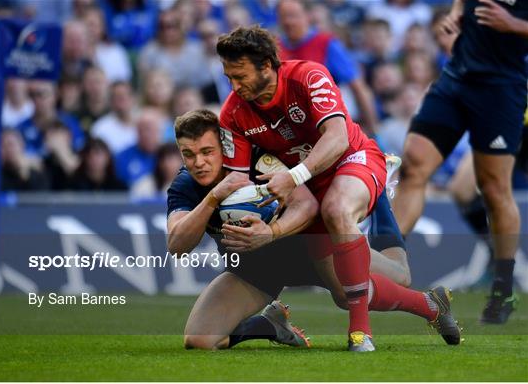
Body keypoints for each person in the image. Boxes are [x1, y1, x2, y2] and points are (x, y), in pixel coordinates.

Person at [167, 109, 460, 351]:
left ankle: (382, 191)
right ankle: (270, 325)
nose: (199, 162)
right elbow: (176, 245)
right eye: (188, 154)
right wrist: (213, 198)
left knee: (393, 279)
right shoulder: (185, 185)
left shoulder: (258, 160)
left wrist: (270, 233)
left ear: (226, 147)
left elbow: (306, 207)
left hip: (313, 251)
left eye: (207, 151)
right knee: (199, 341)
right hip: (254, 270)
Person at [215, 25, 390, 351]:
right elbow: (237, 180)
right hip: (308, 188)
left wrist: (293, 177)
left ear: (266, 65)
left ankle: (360, 334)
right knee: (342, 292)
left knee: (337, 209)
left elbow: (337, 139)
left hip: (353, 159)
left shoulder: (309, 76)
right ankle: (430, 305)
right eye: (228, 78)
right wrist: (244, 214)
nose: (234, 87)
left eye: (240, 76)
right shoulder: (233, 114)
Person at [391, 0, 528, 324]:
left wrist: (514, 24)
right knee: (413, 164)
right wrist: (456, 12)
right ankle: (386, 259)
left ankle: (503, 286)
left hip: (502, 88)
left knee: (493, 189)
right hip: (456, 78)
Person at [277, 0, 378, 135]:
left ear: (307, 15)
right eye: (283, 16)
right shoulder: (276, 48)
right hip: (292, 124)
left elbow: (357, 86)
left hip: (328, 121)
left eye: (293, 15)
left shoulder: (326, 43)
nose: (288, 22)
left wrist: (374, 131)